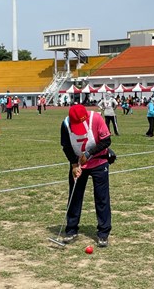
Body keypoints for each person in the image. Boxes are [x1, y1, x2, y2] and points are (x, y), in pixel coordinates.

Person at [60, 104, 112, 247]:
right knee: (74, 196)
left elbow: (106, 140)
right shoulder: (65, 125)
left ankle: (103, 232)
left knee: (102, 198)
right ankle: (71, 229)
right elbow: (66, 146)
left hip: (99, 162)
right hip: (79, 164)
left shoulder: (96, 118)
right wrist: (74, 165)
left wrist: (89, 153)